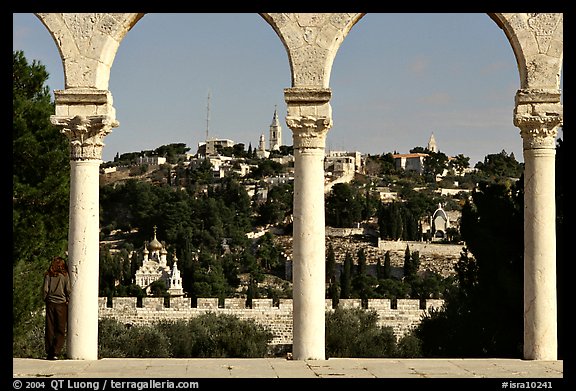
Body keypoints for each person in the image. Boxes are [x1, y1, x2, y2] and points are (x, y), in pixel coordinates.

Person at [43, 256, 72, 360]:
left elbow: (45, 290)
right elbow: (68, 289)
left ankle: (49, 352)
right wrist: (67, 299)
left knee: (50, 328)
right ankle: (56, 351)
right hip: (61, 304)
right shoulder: (65, 276)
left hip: (50, 303)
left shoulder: (48, 275)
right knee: (60, 329)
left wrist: (46, 299)